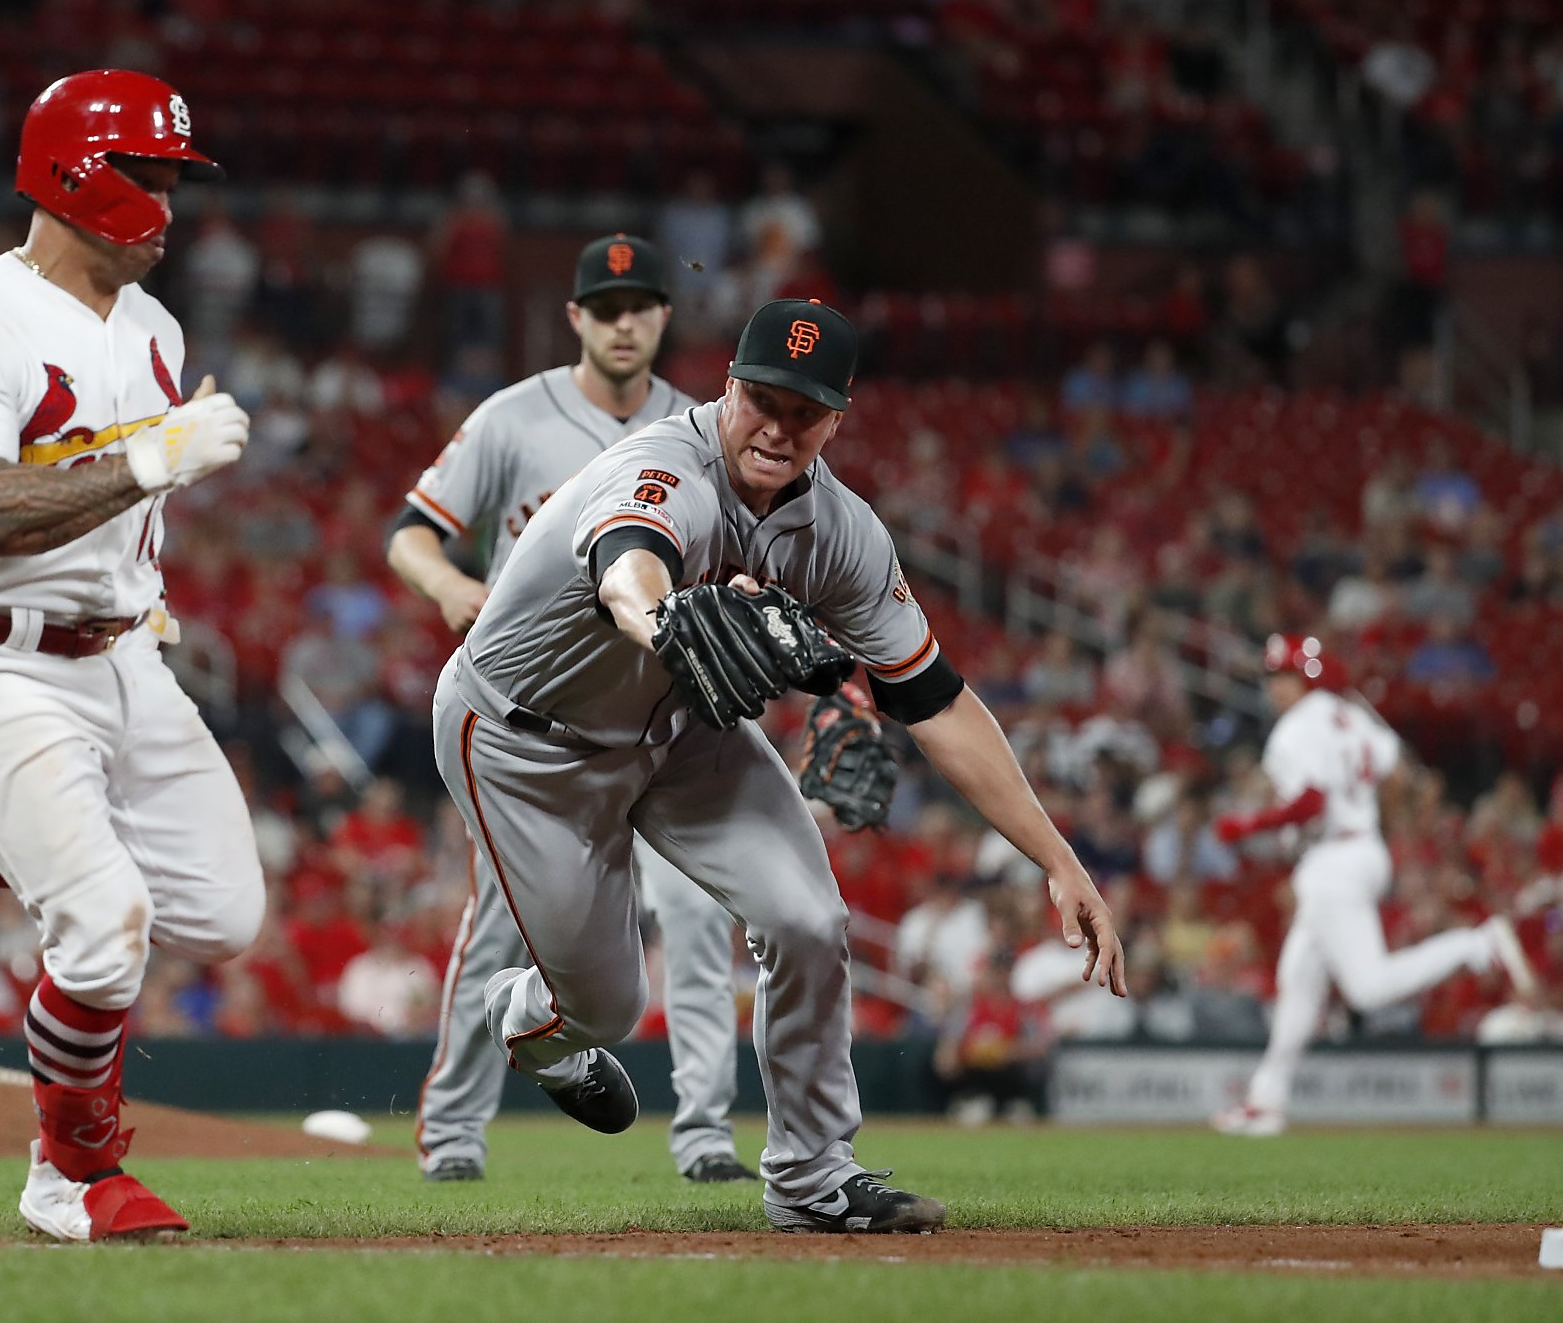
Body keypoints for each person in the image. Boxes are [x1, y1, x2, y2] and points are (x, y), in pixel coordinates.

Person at [431, 298, 1126, 1232]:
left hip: (678, 729)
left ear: (839, 417)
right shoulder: (660, 465)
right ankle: (533, 1024)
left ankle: (811, 1176)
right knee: (607, 1006)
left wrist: (1058, 858)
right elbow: (629, 564)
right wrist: (664, 618)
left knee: (807, 917)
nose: (778, 426)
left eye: (805, 410)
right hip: (524, 739)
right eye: (762, 398)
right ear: (728, 388)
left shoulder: (843, 530)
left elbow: (936, 701)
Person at [0, 70, 264, 1239]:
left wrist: (137, 589)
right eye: (148, 175)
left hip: (116, 655)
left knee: (225, 915)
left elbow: (114, 513)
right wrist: (150, 465)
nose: (167, 204)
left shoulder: (151, 325)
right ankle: (71, 1174)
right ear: (76, 173)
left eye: (170, 178)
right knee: (102, 917)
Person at [387, 234, 754, 1185]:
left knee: (699, 918)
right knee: (502, 927)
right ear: (577, 318)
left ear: (664, 317)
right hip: (539, 724)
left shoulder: (708, 429)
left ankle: (706, 1133)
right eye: (606, 305)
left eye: (640, 304)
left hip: (666, 720)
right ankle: (455, 1134)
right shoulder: (513, 419)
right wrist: (448, 586)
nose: (624, 321)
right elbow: (411, 535)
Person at [1209, 636, 1538, 1137]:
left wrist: (1248, 825)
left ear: (1307, 678)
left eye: (1285, 677)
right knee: (1299, 977)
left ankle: (1477, 944)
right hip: (1361, 848)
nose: (1276, 687)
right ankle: (1266, 1100)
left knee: (1368, 988)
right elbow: (1399, 770)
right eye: (1273, 677)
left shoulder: (1295, 730)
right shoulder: (1351, 715)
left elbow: (1312, 801)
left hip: (1332, 861)